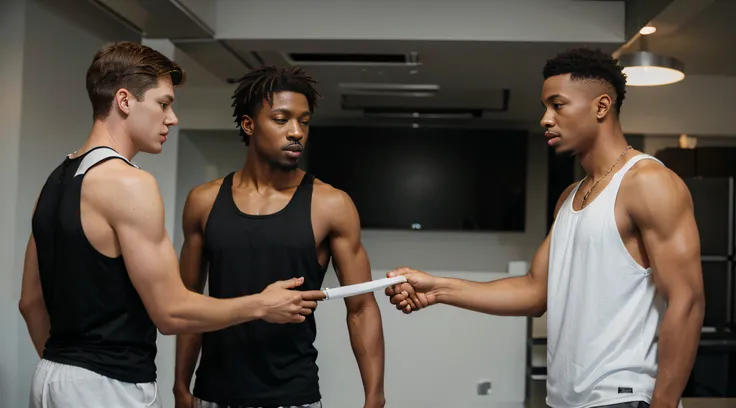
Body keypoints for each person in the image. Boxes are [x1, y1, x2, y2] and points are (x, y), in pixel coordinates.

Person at [385, 47, 705, 408]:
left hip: (623, 398)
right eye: (544, 107)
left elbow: (687, 301)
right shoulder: (571, 196)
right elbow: (535, 292)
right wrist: (437, 289)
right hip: (564, 399)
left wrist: (663, 403)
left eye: (557, 105)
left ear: (601, 107)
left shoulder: (647, 182)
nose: (545, 119)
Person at [18, 42, 325, 408]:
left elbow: (30, 302)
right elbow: (171, 312)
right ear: (124, 100)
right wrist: (262, 304)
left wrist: (68, 374)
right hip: (108, 386)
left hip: (51, 377)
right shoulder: (130, 183)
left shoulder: (56, 181)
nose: (172, 117)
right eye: (163, 103)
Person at [173, 65, 386, 408]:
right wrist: (181, 385)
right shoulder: (204, 201)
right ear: (248, 124)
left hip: (293, 395)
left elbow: (361, 309)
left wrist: (374, 396)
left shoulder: (331, 204)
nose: (296, 131)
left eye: (304, 121)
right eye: (282, 119)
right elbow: (189, 301)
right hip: (213, 392)